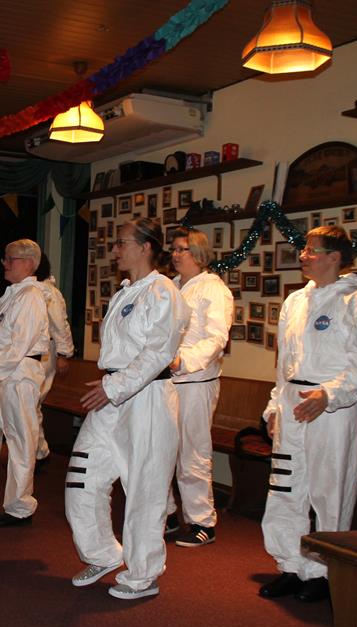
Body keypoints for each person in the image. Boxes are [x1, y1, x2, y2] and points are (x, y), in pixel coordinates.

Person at [66, 218, 189, 600]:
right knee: (82, 476)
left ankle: (143, 575)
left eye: (121, 243)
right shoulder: (125, 292)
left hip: (147, 398)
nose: (115, 250)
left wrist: (114, 386)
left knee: (144, 489)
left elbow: (158, 353)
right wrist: (111, 384)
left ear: (146, 247)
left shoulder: (163, 292)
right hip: (112, 395)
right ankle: (103, 553)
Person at [258, 226, 357, 603]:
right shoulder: (295, 301)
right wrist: (275, 406)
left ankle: (323, 572)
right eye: (305, 249)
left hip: (333, 410)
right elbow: (284, 362)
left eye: (312, 250)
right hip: (293, 405)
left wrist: (328, 395)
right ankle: (291, 564)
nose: (304, 255)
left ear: (334, 257)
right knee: (286, 488)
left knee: (330, 492)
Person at [0, 239, 49, 527]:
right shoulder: (11, 295)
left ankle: (19, 508)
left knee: (19, 442)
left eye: (10, 258)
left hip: (18, 376)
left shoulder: (31, 296)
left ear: (29, 263)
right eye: (5, 257)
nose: (4, 263)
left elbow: (18, 346)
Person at [165, 228, 233, 547]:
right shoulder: (171, 286)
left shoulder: (213, 289)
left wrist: (184, 360)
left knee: (193, 453)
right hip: (166, 381)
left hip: (195, 380)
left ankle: (202, 521)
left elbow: (217, 338)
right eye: (174, 249)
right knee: (161, 450)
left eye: (183, 249)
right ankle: (166, 513)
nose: (176, 254)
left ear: (199, 254)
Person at [33, 254, 75, 469]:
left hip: (44, 354)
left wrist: (64, 354)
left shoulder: (50, 293)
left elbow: (59, 324)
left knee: (32, 403)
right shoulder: (26, 290)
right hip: (28, 355)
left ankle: (39, 452)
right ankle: (37, 450)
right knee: (29, 406)